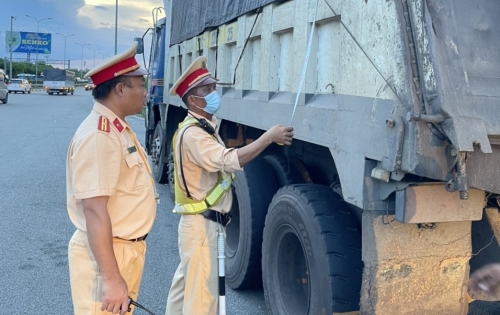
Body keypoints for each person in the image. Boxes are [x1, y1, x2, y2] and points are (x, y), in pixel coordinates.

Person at [165, 56, 294, 314]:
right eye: (207, 90)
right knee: (202, 301)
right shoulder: (194, 135)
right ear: (192, 100)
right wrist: (268, 138)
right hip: (201, 228)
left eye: (213, 88)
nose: (214, 94)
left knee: (185, 293)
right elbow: (229, 161)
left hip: (199, 225)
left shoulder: (198, 128)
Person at [66, 42, 158, 315]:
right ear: (120, 89)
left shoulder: (117, 127)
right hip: (108, 254)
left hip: (122, 250)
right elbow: (94, 210)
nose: (145, 91)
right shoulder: (99, 135)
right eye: (140, 85)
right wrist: (111, 278)